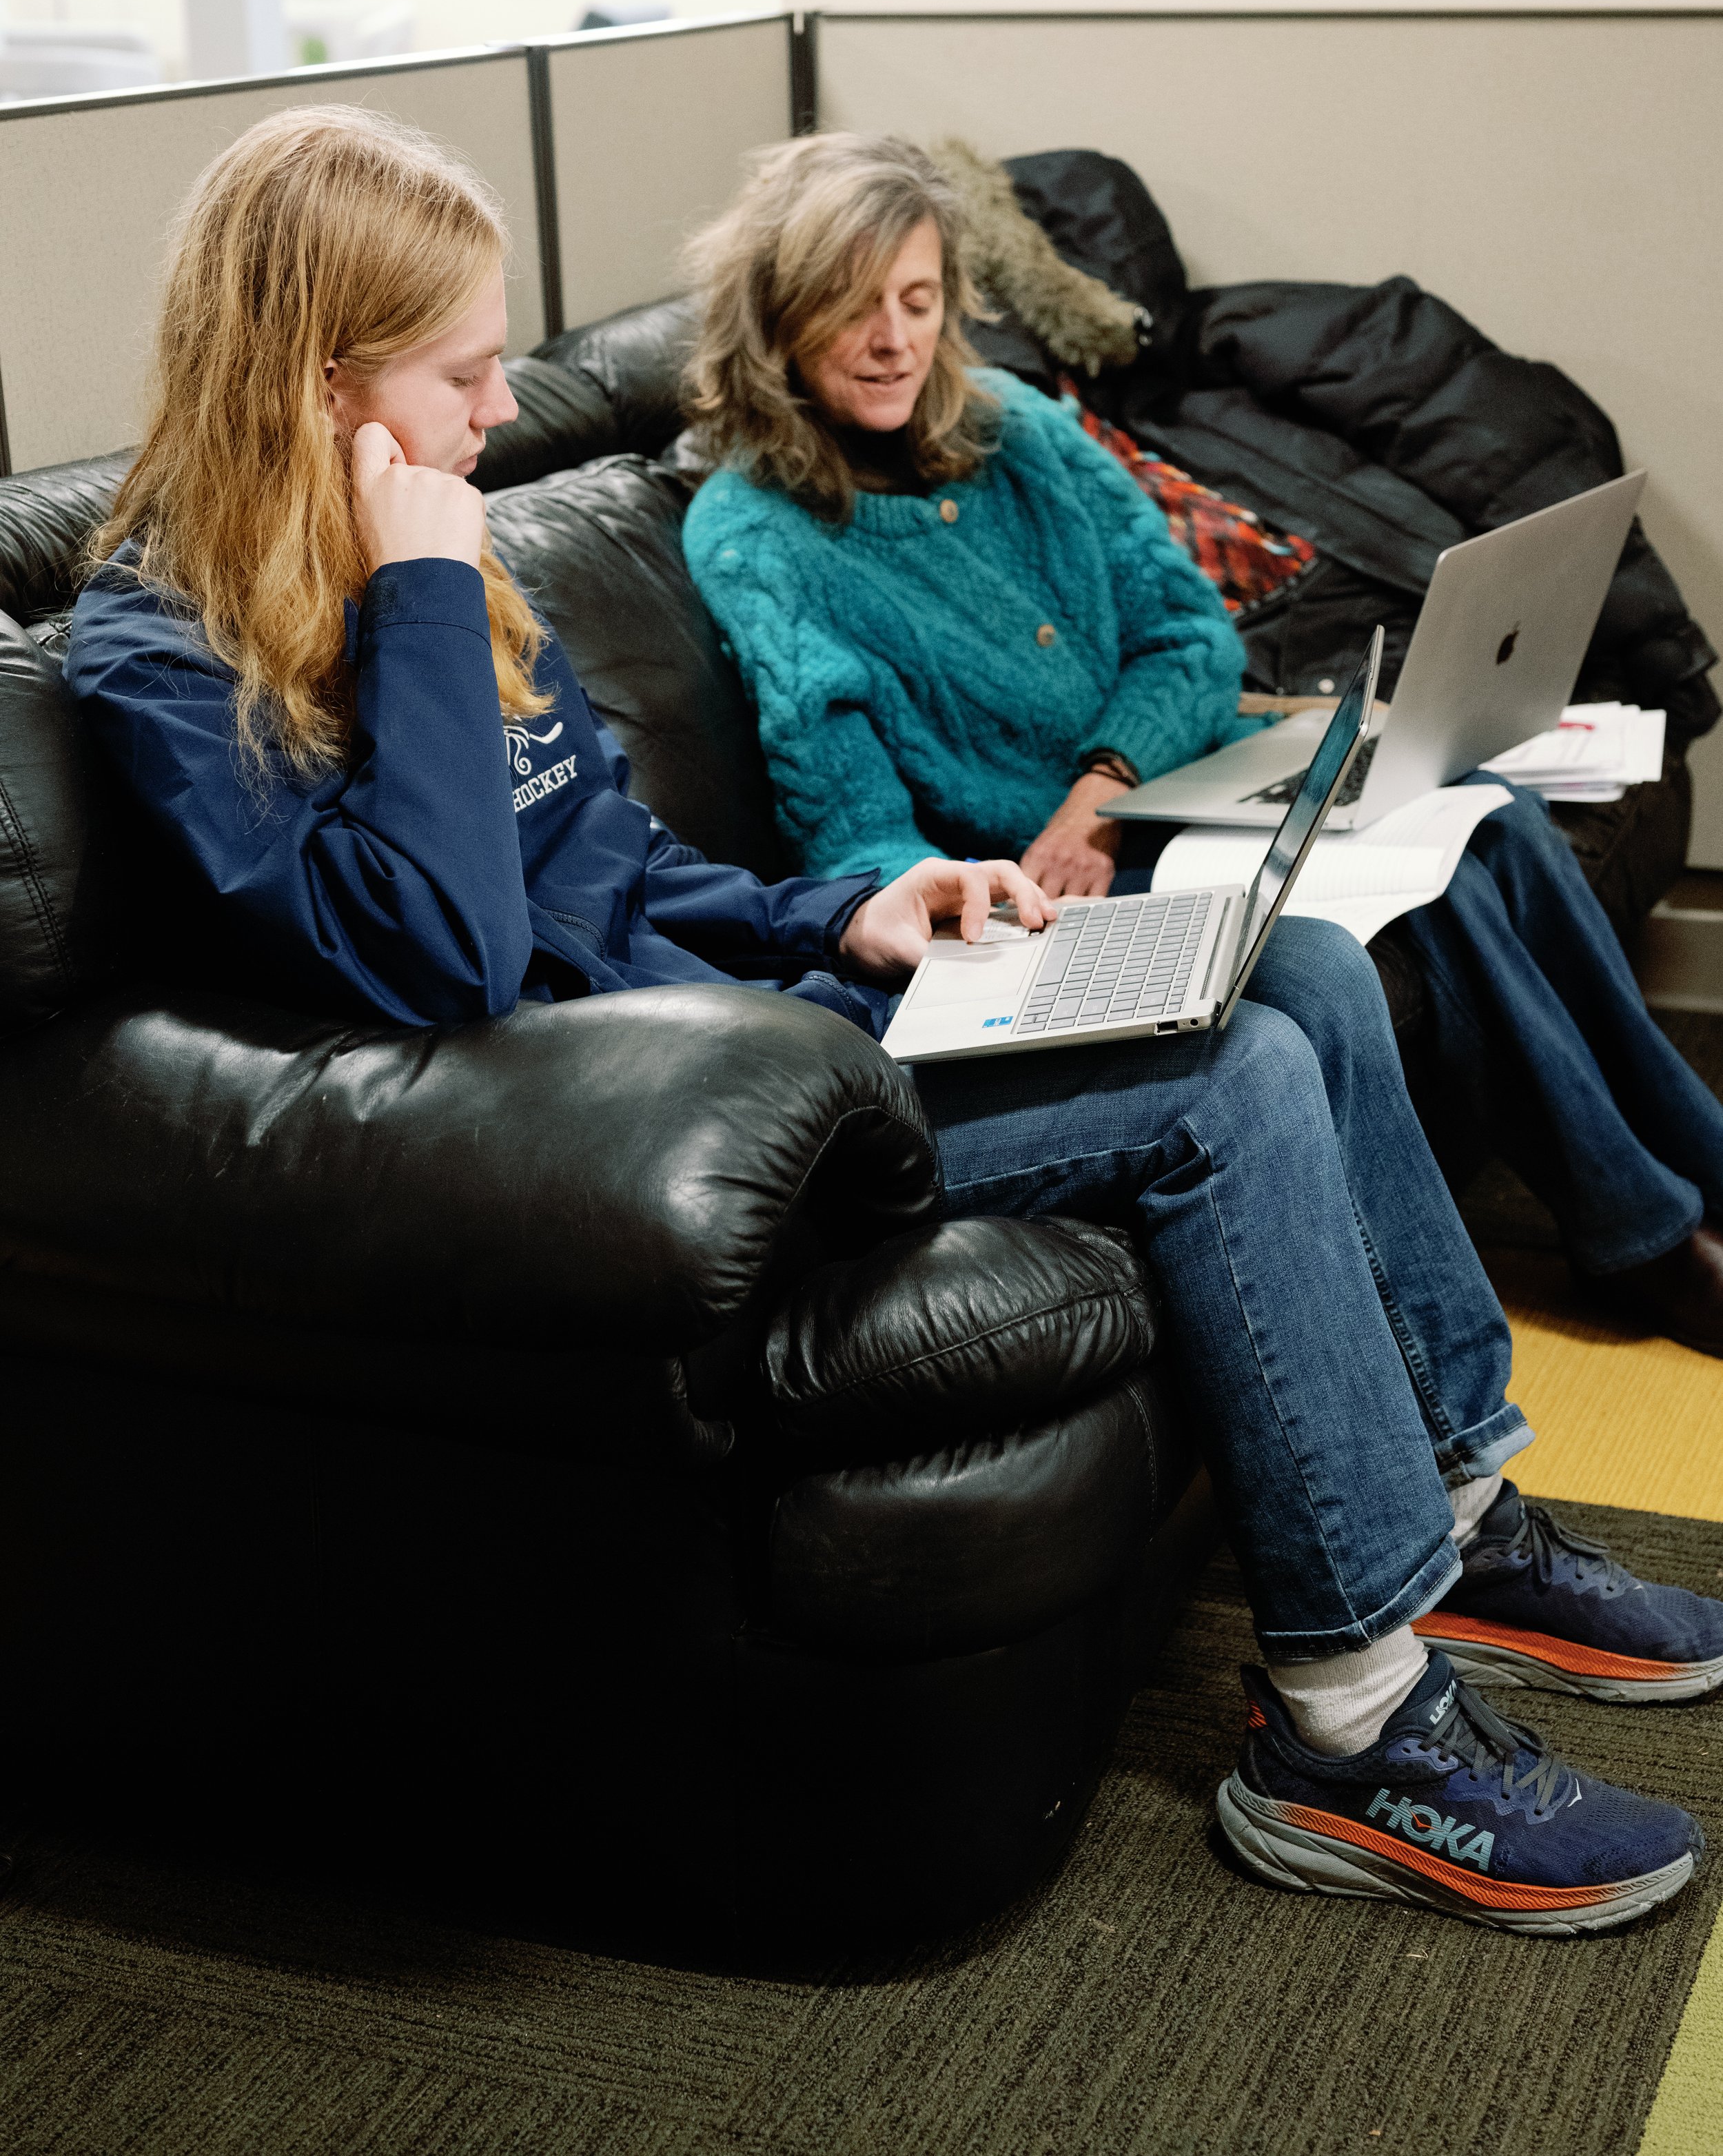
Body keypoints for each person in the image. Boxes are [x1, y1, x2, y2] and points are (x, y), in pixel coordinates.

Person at [67, 105, 1720, 1938]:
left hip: (773, 1015)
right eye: (460, 376)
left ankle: (1462, 1512)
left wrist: (850, 906)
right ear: (321, 389)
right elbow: (450, 957)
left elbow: (613, 865)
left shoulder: (436, 560)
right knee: (1223, 1076)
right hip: (684, 1135)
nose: (498, 417)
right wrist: (427, 593)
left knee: (1301, 967)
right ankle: (1343, 1723)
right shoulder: (173, 653)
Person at [680, 133, 1723, 1363]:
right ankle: (1651, 1246)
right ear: (779, 318)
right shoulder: (752, 532)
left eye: (918, 302)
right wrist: (1001, 884)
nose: (896, 340)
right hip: (1055, 885)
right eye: (854, 309)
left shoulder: (1016, 425)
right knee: (1434, 901)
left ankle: (1706, 1164)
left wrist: (1107, 782)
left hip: (1168, 786)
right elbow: (851, 827)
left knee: (1487, 813)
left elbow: (1191, 634)